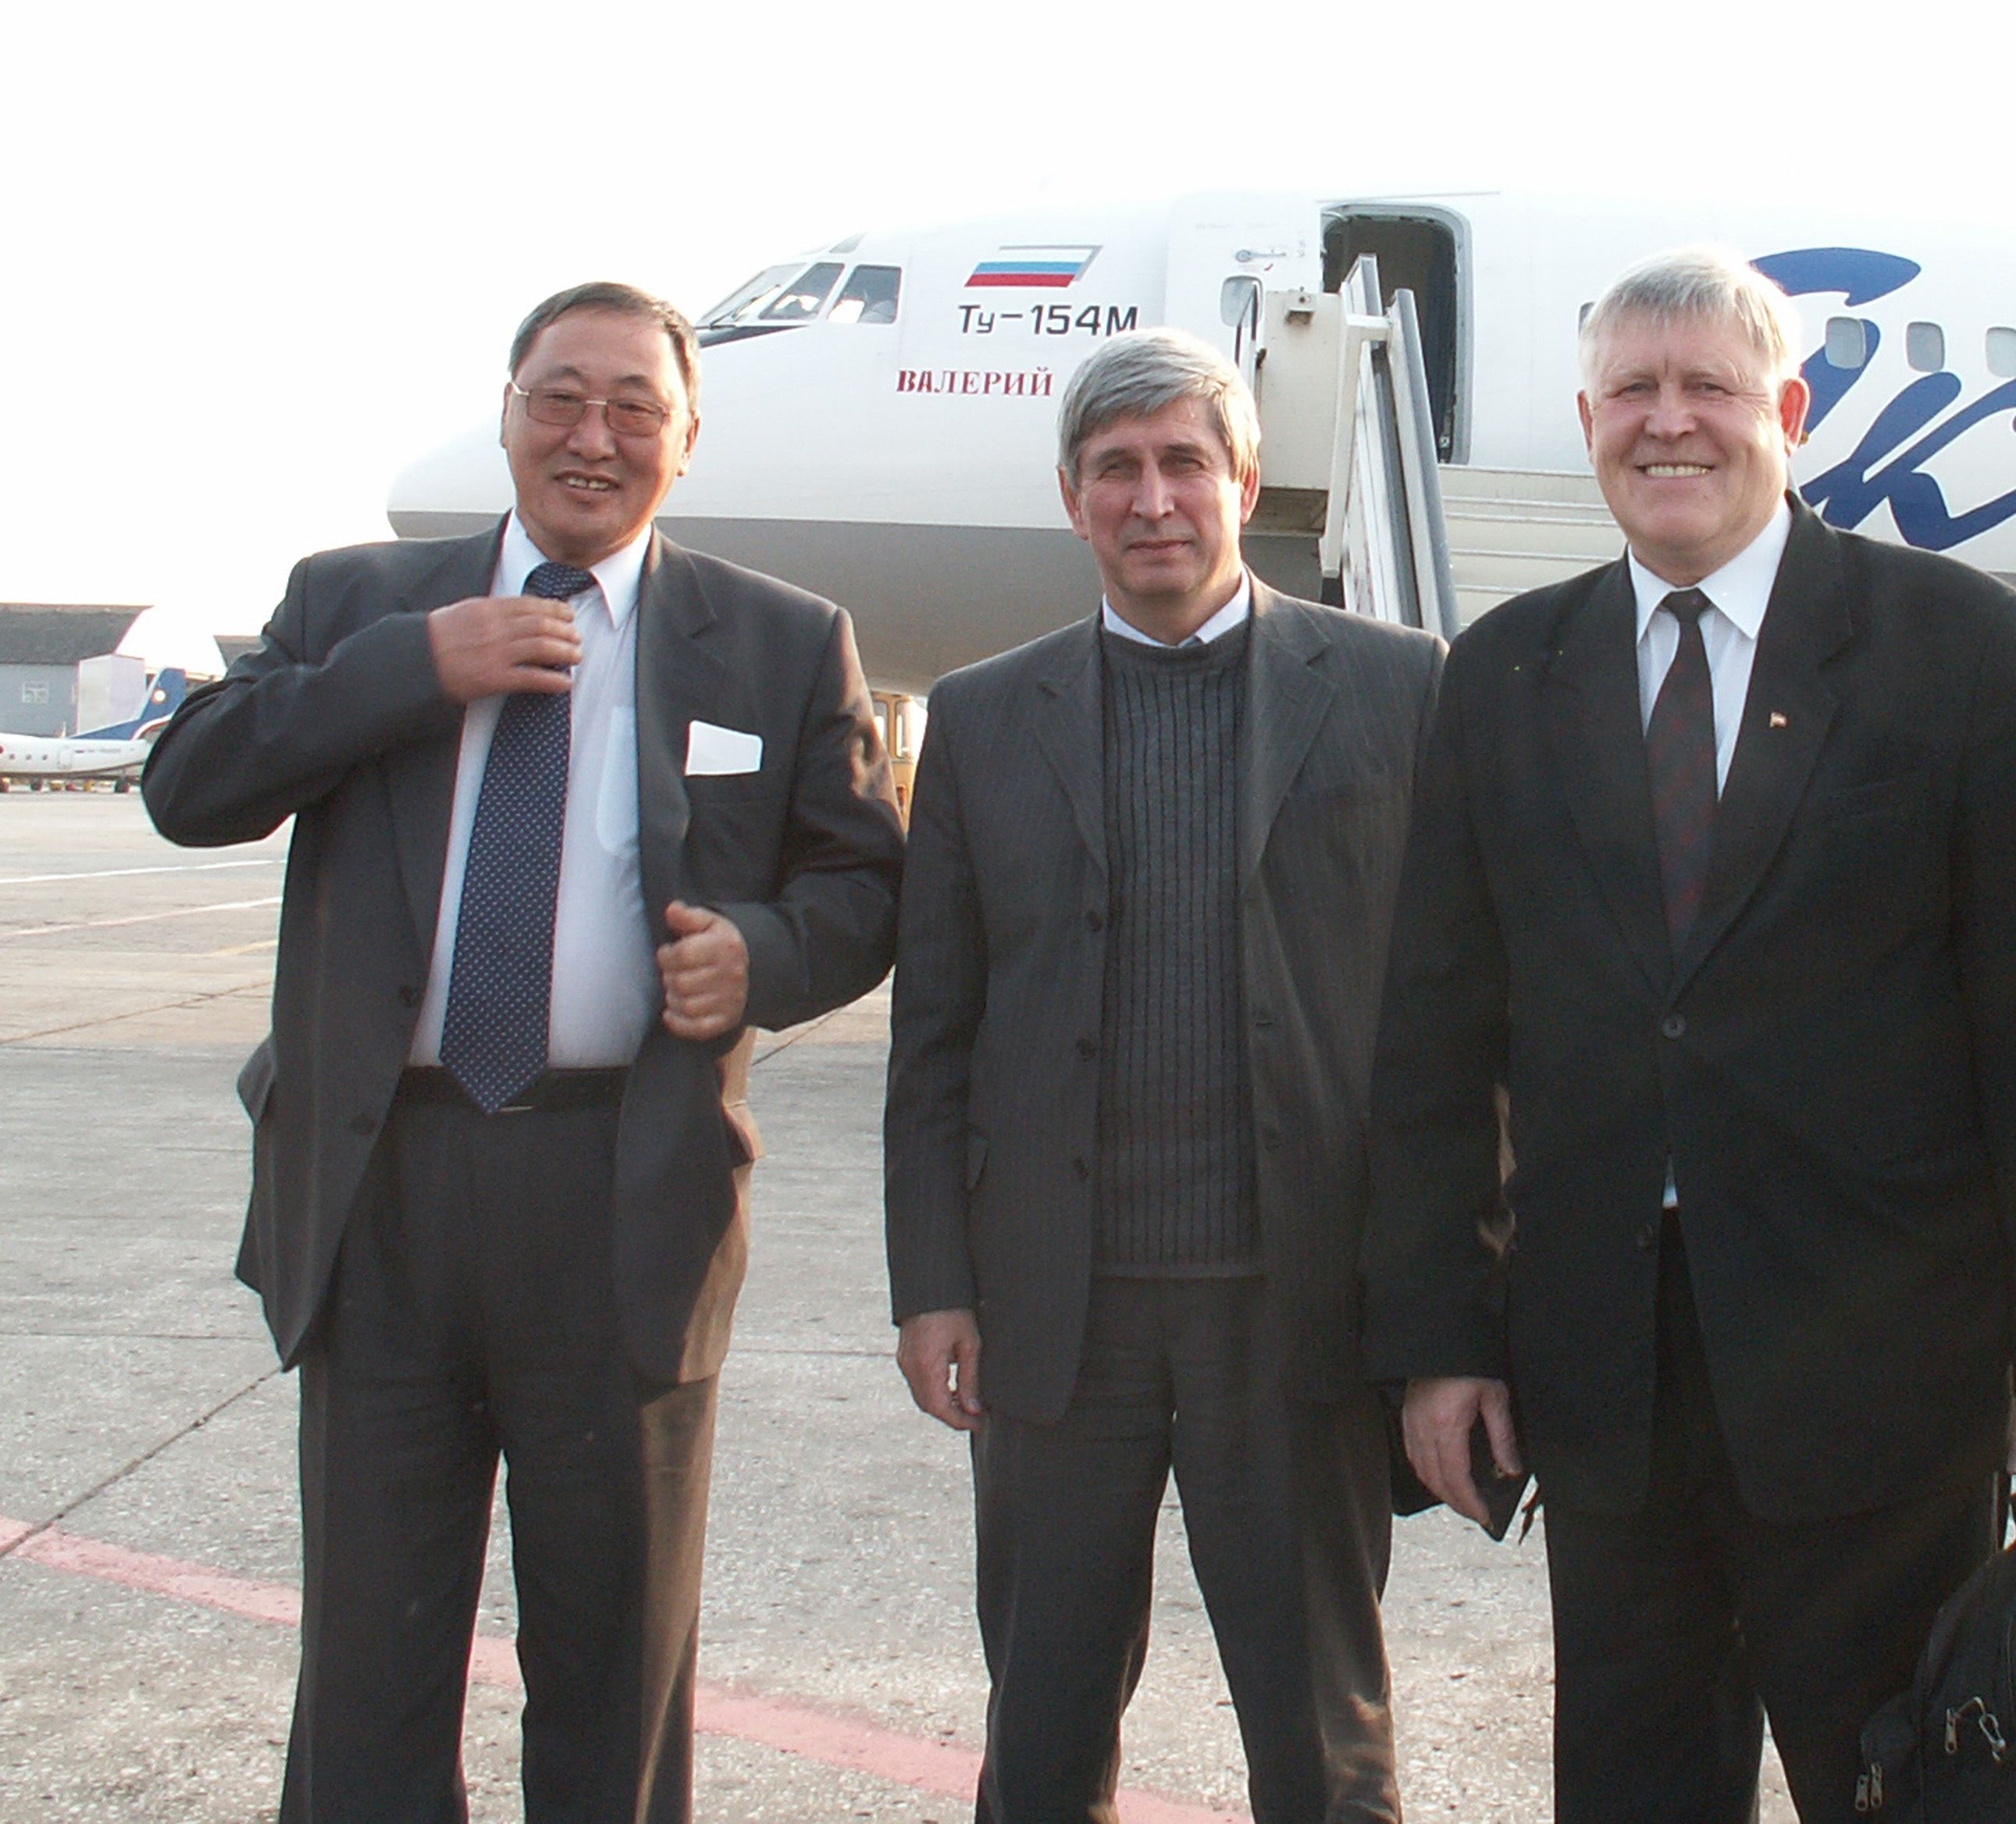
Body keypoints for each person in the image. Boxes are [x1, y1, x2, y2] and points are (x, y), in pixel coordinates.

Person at [1359, 247, 2016, 1824]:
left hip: (1882, 1372)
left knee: (1900, 1787)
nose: (1668, 421)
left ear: (1790, 410)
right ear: (1587, 422)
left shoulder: (1954, 641)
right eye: (1632, 390)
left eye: (1707, 385)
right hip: (1606, 1378)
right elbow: (1436, 1039)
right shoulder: (1504, 670)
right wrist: (1443, 1337)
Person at [142, 281, 907, 1822]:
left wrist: (762, 956)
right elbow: (191, 785)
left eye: (634, 406)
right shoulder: (357, 604)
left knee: (614, 1669)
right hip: (384, 1190)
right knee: (368, 1667)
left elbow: (867, 886)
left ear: (686, 438)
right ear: (505, 412)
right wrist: (410, 669)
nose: (591, 436)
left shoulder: (778, 640)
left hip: (624, 1190)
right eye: (559, 396)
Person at [882, 330, 1443, 1823]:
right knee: (1043, 1728)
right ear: (1070, 497)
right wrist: (932, 1283)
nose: (1151, 500)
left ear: (1242, 483)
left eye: (1184, 463)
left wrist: (1453, 1303)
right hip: (1055, 1315)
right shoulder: (983, 718)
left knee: (1321, 1740)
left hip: (1297, 1306)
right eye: (1114, 470)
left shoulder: (1398, 690)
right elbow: (933, 1035)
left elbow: (1460, 1024)